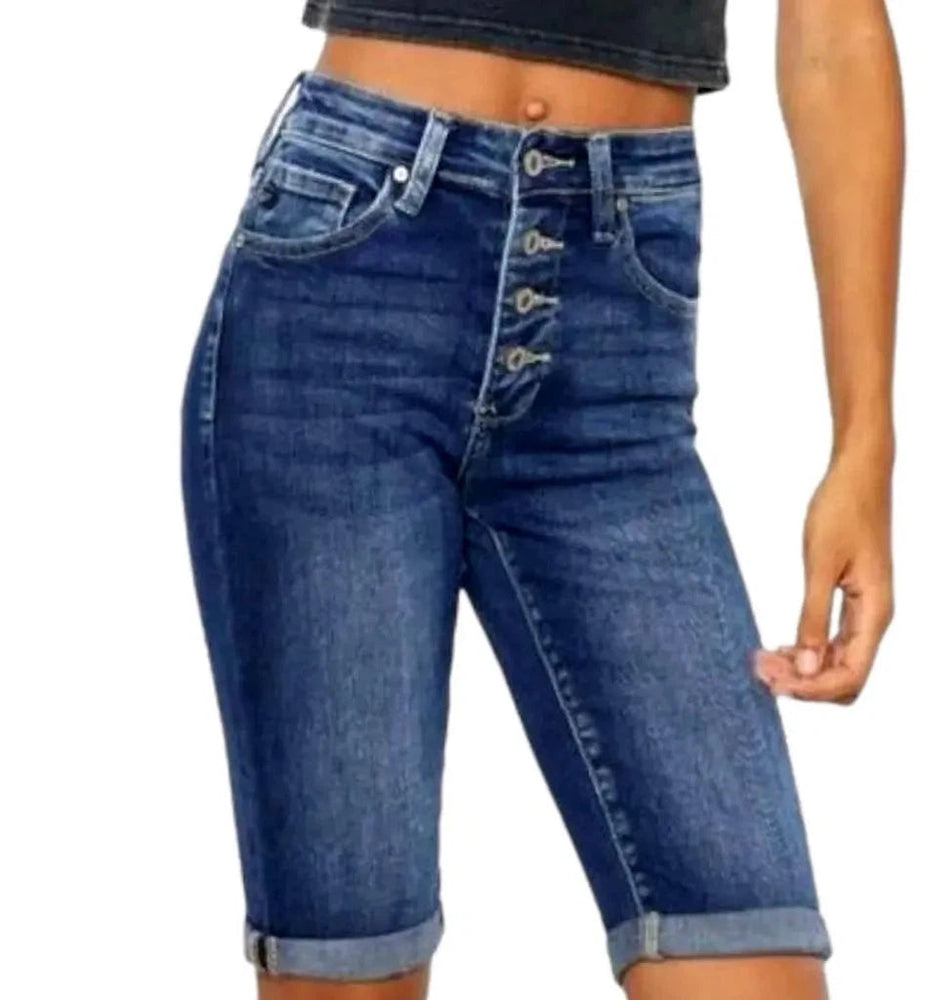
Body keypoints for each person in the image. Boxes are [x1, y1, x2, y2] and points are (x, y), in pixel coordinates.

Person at [180, 0, 901, 997]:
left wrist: (863, 448)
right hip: (354, 283)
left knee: (747, 953)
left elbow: (833, 35)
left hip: (618, 332)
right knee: (351, 964)